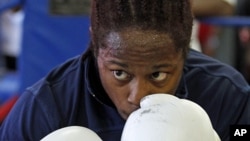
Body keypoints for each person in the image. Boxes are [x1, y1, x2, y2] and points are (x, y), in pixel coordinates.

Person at [0, 0, 249, 141]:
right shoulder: (45, 107)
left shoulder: (226, 94)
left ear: (185, 52)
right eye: (120, 73)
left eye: (157, 75)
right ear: (95, 47)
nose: (138, 97)